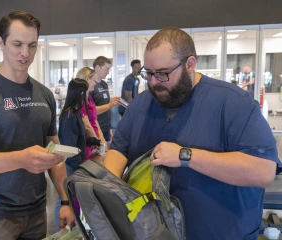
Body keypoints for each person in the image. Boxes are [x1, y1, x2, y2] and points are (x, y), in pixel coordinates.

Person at [104, 27, 280, 240]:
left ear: (190, 64)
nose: (153, 82)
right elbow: (118, 150)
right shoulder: (142, 104)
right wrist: (108, 192)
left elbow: (263, 171)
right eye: (148, 73)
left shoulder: (234, 103)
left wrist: (185, 156)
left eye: (162, 73)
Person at [0, 10, 74, 239]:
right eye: (17, 44)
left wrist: (65, 199)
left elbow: (55, 154)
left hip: (35, 211)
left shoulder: (44, 95)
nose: (25, 53)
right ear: (0, 42)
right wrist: (21, 159)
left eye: (32, 45)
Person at [53, 78, 89, 231]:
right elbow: (69, 147)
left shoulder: (75, 114)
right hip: (70, 165)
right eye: (87, 93)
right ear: (81, 93)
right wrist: (80, 167)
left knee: (68, 197)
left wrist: (92, 141)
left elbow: (78, 138)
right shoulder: (70, 116)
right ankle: (61, 229)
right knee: (63, 199)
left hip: (74, 164)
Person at [76, 67, 106, 160]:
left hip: (94, 141)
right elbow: (87, 126)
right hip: (86, 142)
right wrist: (97, 142)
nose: (95, 83)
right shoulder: (79, 100)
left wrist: (101, 138)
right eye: (93, 80)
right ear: (86, 80)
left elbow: (94, 120)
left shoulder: (89, 98)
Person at [91, 56, 120, 143]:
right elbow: (90, 111)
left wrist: (110, 127)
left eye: (109, 70)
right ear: (97, 68)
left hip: (106, 127)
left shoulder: (104, 84)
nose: (107, 72)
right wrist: (109, 105)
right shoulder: (90, 86)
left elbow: (106, 107)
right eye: (106, 69)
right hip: (96, 128)